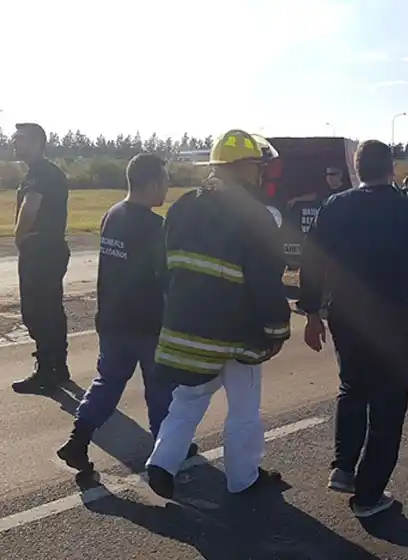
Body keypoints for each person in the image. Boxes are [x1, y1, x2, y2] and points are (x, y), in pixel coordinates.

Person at [299, 139, 408, 518]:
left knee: (352, 387)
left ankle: (343, 466)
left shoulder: (335, 207)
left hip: (345, 314)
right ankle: (368, 496)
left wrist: (311, 312)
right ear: (391, 169)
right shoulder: (407, 210)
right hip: (391, 317)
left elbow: (312, 260)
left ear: (357, 170)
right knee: (388, 406)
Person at [145, 129, 291, 499]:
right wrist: (276, 329)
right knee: (244, 408)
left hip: (189, 327)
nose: (260, 174)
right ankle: (243, 479)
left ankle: (162, 463)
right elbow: (265, 279)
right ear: (240, 167)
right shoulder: (255, 215)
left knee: (188, 399)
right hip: (237, 334)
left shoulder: (181, 206)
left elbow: (163, 269)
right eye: (257, 166)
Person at [56, 154, 198, 471]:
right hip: (147, 323)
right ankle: (167, 449)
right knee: (161, 388)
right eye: (164, 181)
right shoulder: (154, 227)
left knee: (107, 382)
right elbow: (166, 280)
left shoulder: (113, 215)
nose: (167, 187)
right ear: (150, 184)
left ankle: (77, 441)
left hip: (112, 320)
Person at [11, 123, 72, 394]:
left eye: (21, 139)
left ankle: (48, 370)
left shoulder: (42, 174)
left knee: (38, 311)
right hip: (48, 250)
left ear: (37, 143)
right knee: (50, 309)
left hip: (41, 251)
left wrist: (18, 236)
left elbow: (30, 207)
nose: (15, 144)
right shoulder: (41, 172)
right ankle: (57, 365)